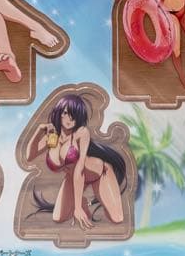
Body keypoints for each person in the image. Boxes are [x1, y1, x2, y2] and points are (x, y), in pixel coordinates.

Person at [25, 94, 126, 229]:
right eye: (66, 113)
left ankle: (86, 202)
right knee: (58, 218)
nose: (70, 118)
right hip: (73, 177)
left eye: (74, 114)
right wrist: (39, 130)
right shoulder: (52, 137)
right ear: (59, 113)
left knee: (117, 218)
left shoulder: (81, 133)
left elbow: (80, 168)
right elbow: (29, 156)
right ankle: (83, 202)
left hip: (99, 173)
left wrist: (77, 208)